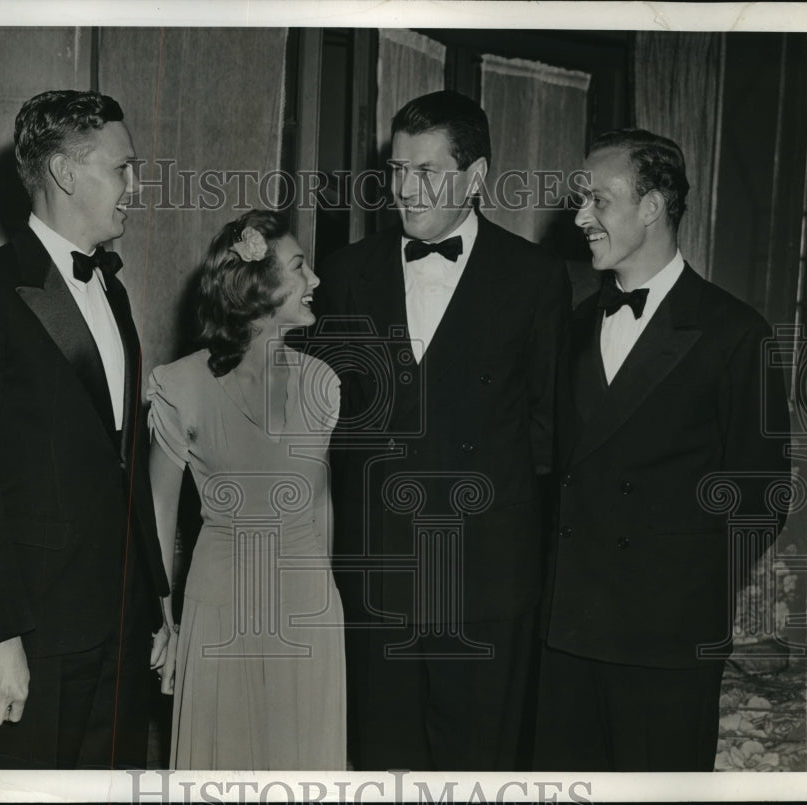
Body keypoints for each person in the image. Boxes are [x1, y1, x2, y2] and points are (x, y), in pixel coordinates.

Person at [311, 90, 571, 770]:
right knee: (379, 762)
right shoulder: (344, 274)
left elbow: (546, 437)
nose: (405, 188)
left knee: (476, 767)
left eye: (426, 170)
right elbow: (327, 430)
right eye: (397, 169)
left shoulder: (536, 278)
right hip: (377, 579)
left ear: (476, 177)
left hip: (485, 581)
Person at [0, 90, 169, 769]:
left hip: (120, 622)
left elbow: (125, 459)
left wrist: (157, 603)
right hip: (33, 630)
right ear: (65, 172)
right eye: (124, 168)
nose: (136, 186)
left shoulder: (114, 292)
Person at [534, 129, 791, 771]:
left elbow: (761, 495)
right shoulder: (571, 326)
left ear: (653, 207)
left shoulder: (735, 332)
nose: (580, 216)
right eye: (580, 199)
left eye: (598, 200)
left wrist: (686, 591)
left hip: (666, 639)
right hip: (565, 632)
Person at [147, 210, 346, 770]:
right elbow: (159, 511)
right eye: (301, 267)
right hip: (220, 606)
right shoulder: (180, 384)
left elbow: (320, 500)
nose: (315, 281)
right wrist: (165, 620)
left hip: (309, 607)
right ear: (257, 288)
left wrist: (323, 600)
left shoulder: (322, 383)